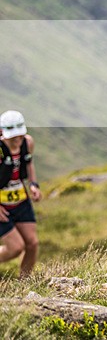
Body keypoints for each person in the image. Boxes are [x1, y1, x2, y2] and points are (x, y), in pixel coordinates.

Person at [0, 110, 41, 278]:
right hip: (2, 206)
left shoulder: (28, 143)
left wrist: (33, 184)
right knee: (15, 248)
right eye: (12, 137)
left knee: (32, 244)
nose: (17, 140)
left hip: (21, 200)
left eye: (19, 135)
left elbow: (29, 164)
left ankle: (24, 283)